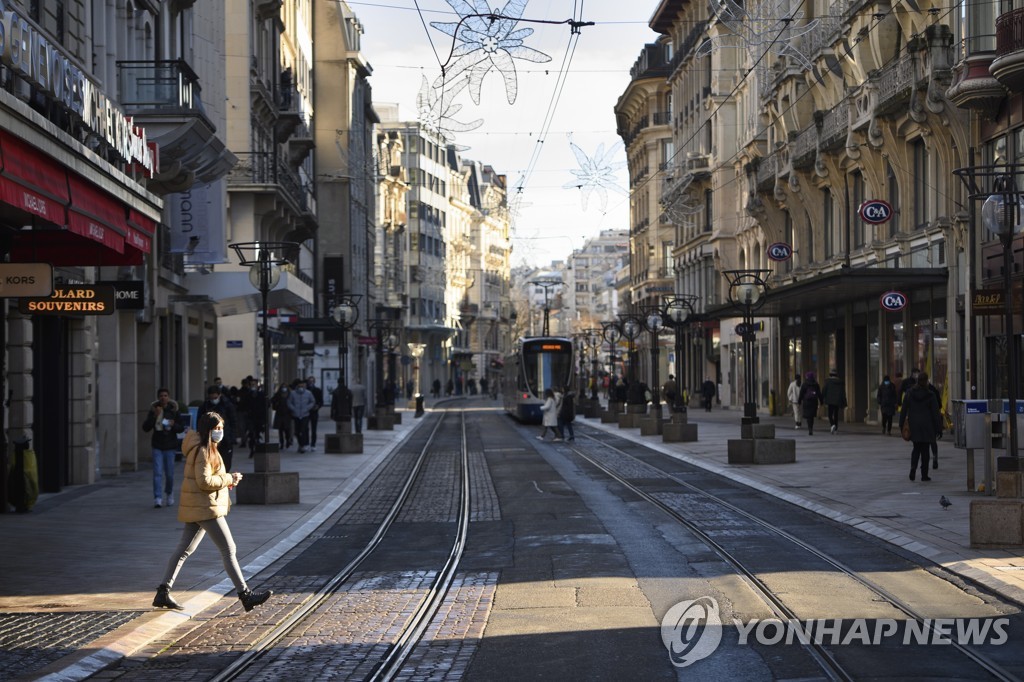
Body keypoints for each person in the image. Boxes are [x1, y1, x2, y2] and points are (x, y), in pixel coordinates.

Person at [152, 412, 273, 613]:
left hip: (199, 505)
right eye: (216, 429)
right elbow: (204, 481)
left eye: (221, 428)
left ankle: (163, 590)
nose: (220, 432)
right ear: (208, 430)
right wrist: (228, 478)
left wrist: (226, 480)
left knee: (184, 550)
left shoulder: (204, 448)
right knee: (228, 549)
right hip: (206, 507)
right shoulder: (203, 451)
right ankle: (245, 595)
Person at [142, 388, 186, 508]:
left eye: (165, 395)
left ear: (169, 397)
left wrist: (173, 425)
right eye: (161, 396)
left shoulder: (174, 410)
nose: (163, 398)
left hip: (170, 445)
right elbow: (145, 427)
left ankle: (169, 493)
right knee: (157, 473)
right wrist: (154, 417)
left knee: (170, 473)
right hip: (157, 445)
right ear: (158, 397)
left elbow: (181, 428)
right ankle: (158, 497)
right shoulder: (154, 410)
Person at [899, 371, 942, 482]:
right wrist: (939, 428)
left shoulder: (909, 393)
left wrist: (901, 424)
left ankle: (913, 469)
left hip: (914, 425)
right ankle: (924, 475)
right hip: (927, 426)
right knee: (925, 451)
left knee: (916, 449)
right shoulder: (930, 395)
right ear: (926, 381)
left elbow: (903, 410)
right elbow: (935, 413)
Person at [201, 385, 237, 472]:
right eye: (211, 397)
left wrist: (231, 437)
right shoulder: (205, 406)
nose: (214, 399)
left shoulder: (227, 405)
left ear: (219, 395)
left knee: (225, 465)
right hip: (209, 440)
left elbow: (233, 422)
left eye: (215, 397)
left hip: (225, 440)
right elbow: (200, 422)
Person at [287, 380, 316, 453]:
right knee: (297, 431)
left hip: (305, 414)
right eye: (299, 386)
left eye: (302, 386)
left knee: (303, 430)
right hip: (296, 415)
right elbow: (289, 402)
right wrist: (293, 409)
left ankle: (303, 444)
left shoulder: (308, 393)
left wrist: (307, 408)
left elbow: (312, 401)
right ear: (297, 386)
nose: (301, 388)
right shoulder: (293, 393)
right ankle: (300, 444)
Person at [821, 370, 848, 434]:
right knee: (836, 414)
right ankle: (836, 428)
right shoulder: (840, 382)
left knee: (830, 414)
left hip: (830, 400)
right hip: (837, 400)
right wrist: (844, 401)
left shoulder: (827, 381)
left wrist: (822, 398)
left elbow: (824, 390)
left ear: (830, 375)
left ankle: (832, 424)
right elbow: (843, 393)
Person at [798, 371, 822, 435]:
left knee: (808, 416)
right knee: (811, 416)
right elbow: (819, 394)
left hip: (807, 402)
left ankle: (810, 428)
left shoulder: (804, 384)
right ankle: (811, 427)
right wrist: (821, 401)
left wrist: (799, 401)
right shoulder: (816, 384)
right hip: (814, 402)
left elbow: (801, 393)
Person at [271, 384, 293, 449]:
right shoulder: (277, 395)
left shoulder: (290, 395)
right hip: (279, 414)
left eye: (285, 387)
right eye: (283, 387)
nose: (284, 389)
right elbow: (273, 401)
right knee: (280, 430)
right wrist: (275, 405)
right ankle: (282, 443)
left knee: (287, 430)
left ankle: (288, 441)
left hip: (287, 414)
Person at [305, 376, 324, 450]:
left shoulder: (317, 390)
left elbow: (321, 402)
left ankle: (313, 444)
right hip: (306, 411)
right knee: (305, 428)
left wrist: (318, 406)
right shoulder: (305, 390)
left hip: (314, 411)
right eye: (310, 381)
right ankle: (306, 443)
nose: (311, 383)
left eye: (312, 381)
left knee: (314, 429)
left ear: (314, 382)